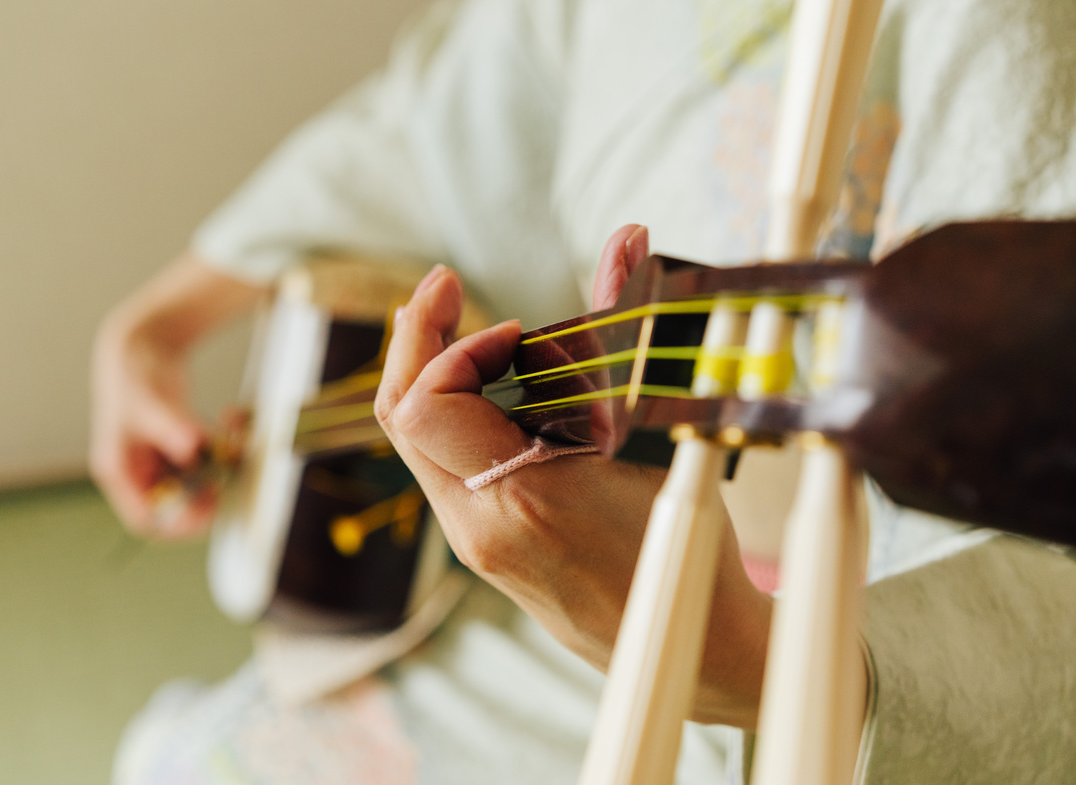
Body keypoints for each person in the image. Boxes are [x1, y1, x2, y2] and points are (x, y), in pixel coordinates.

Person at [91, 0, 1076, 782]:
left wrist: (730, 660)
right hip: (596, 544)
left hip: (854, 654)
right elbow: (434, 120)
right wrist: (148, 330)